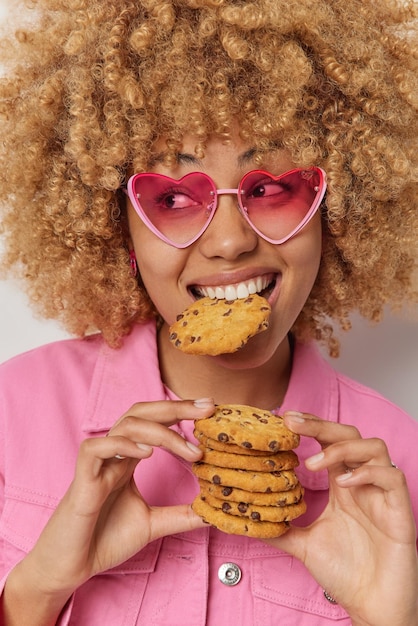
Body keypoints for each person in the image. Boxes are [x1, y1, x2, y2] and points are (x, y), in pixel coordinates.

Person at [0, 0, 417, 624]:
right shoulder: (11, 412)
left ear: (336, 214)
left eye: (272, 187)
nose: (229, 241)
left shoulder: (402, 462)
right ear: (121, 230)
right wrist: (36, 592)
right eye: (172, 197)